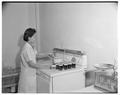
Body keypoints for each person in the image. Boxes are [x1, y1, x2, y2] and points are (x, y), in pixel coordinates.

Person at [18, 28, 40, 93]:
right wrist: (45, 66)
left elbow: (37, 55)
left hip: (31, 75)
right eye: (34, 36)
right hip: (27, 77)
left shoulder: (31, 46)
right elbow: (31, 64)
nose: (35, 38)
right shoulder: (26, 48)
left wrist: (48, 54)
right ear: (29, 38)